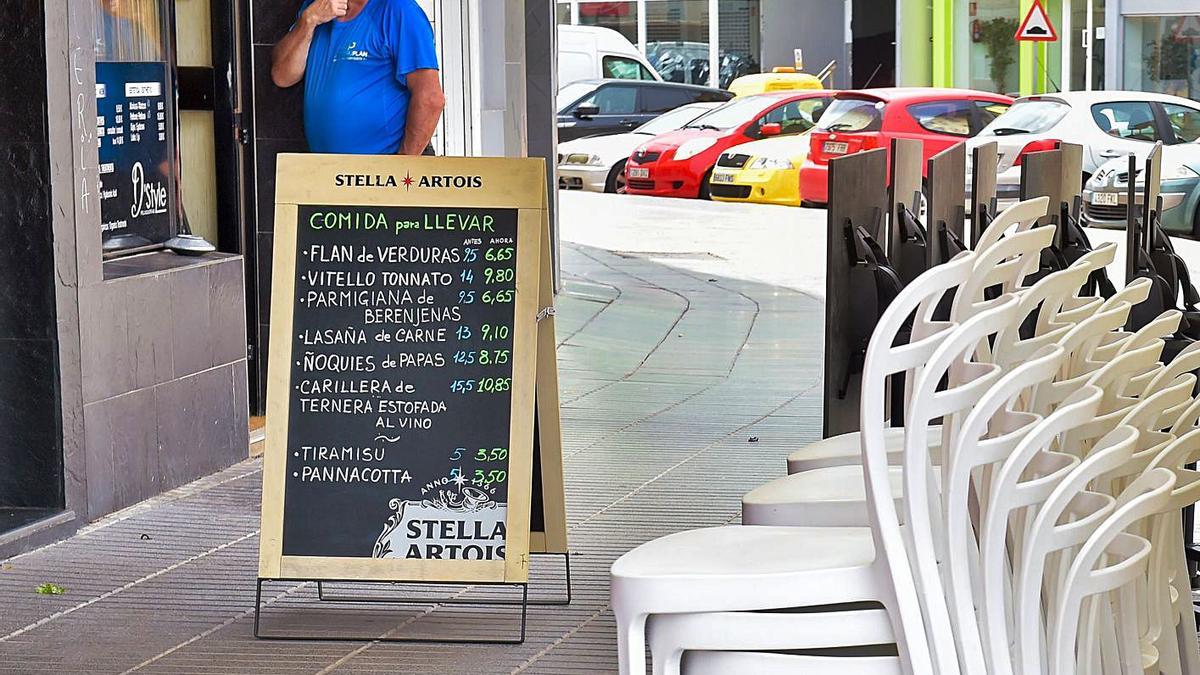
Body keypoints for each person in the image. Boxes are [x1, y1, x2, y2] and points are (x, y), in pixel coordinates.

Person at [271, 0, 446, 155]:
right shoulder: (315, 8)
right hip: (328, 172)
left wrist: (402, 169)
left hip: (383, 172)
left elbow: (430, 99)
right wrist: (308, 21)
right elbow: (282, 76)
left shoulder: (398, 9)